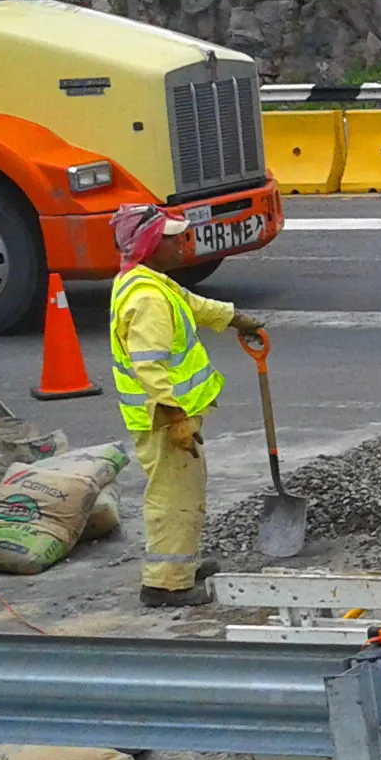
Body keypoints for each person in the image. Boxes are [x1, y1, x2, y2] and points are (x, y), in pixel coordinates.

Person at [108, 204, 265, 607]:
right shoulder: (146, 300)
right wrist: (176, 419)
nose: (182, 243)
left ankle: (180, 567)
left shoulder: (151, 282)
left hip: (170, 417)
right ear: (147, 245)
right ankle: (165, 585)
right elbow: (150, 367)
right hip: (164, 420)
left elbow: (193, 303)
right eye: (172, 238)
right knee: (174, 497)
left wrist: (235, 319)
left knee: (185, 490)